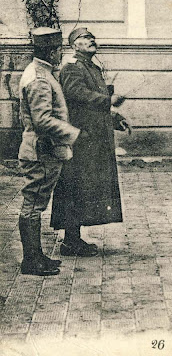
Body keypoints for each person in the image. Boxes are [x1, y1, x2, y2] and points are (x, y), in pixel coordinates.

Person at [51, 27, 130, 257]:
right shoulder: (72, 68)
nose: (91, 40)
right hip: (81, 138)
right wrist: (108, 100)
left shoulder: (92, 67)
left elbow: (95, 104)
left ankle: (73, 239)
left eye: (92, 37)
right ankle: (70, 241)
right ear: (74, 45)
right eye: (85, 38)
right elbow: (77, 94)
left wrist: (116, 118)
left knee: (85, 189)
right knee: (75, 187)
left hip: (94, 138)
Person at [18, 27, 86, 276]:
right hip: (41, 151)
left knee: (35, 203)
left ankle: (36, 256)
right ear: (52, 50)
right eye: (58, 50)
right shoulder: (39, 78)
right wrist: (74, 134)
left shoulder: (42, 72)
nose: (60, 54)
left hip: (44, 150)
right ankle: (31, 261)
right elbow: (42, 120)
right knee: (33, 205)